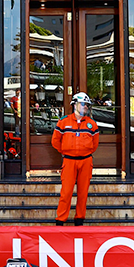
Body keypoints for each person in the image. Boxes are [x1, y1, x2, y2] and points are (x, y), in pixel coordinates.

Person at [52, 92, 100, 226]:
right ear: (75, 104)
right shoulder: (63, 122)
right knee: (66, 192)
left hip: (86, 161)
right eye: (83, 104)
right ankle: (60, 219)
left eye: (87, 105)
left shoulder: (92, 125)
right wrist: (66, 151)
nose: (85, 107)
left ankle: (79, 219)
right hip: (69, 161)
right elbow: (55, 141)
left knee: (83, 192)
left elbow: (94, 144)